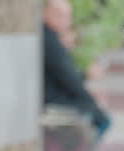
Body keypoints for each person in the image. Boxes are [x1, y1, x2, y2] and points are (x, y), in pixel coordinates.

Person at [43, 0, 112, 139]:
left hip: (52, 95)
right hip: (50, 99)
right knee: (103, 120)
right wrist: (92, 100)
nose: (66, 21)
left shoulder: (50, 36)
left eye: (68, 16)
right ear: (46, 14)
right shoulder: (50, 41)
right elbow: (69, 79)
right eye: (60, 15)